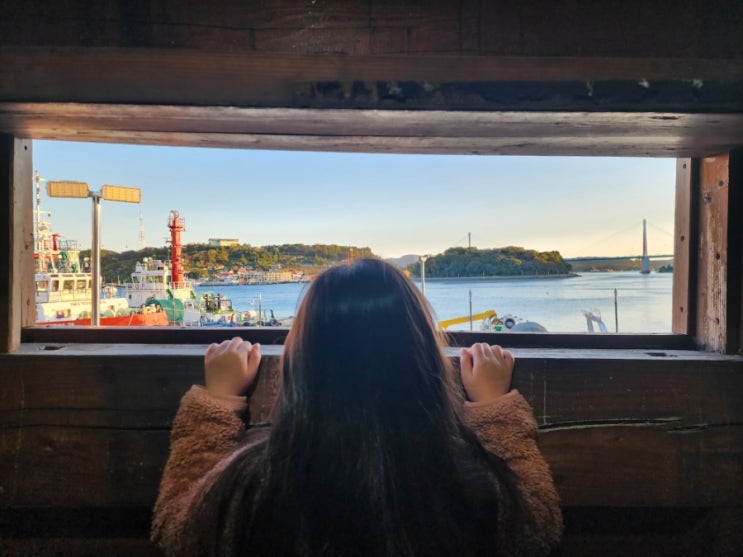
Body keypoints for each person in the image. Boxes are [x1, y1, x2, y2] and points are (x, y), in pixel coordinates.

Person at [152, 258, 562, 556]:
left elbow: (177, 529)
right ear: (423, 360)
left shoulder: (255, 486)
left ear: (303, 364)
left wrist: (217, 403)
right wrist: (493, 410)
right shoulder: (468, 485)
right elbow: (537, 525)